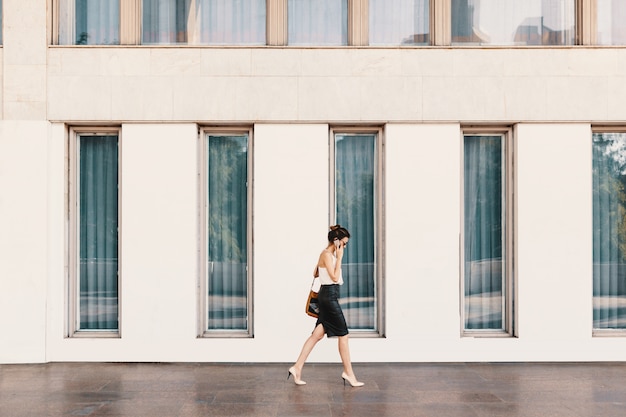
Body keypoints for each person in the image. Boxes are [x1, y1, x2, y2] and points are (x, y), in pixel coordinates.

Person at [288, 225, 364, 387]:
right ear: (336, 242)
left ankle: (297, 367)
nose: (344, 247)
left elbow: (315, 273)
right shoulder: (328, 255)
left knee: (317, 335)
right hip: (329, 297)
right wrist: (340, 257)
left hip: (327, 295)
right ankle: (349, 373)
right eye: (343, 243)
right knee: (343, 334)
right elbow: (335, 277)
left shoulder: (326, 254)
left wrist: (332, 259)